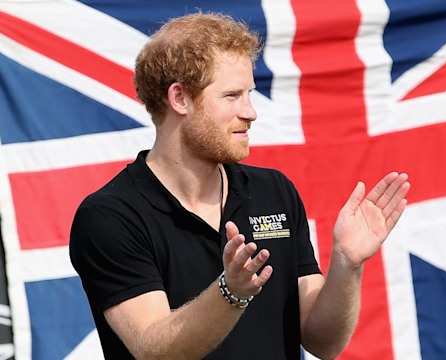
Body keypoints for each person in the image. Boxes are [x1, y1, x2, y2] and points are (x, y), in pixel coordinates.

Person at [69, 11, 410, 360]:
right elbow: (155, 350)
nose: (250, 112)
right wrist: (230, 292)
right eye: (232, 96)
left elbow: (323, 342)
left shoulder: (274, 191)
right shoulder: (109, 216)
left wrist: (346, 264)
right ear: (180, 98)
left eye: (249, 93)